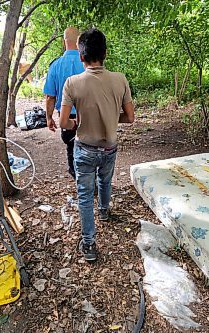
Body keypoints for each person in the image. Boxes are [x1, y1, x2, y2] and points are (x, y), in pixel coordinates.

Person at [59, 28, 135, 262]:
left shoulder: (72, 83)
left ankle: (89, 244)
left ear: (81, 56)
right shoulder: (120, 79)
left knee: (84, 195)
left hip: (84, 149)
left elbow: (63, 122)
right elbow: (130, 118)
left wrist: (77, 121)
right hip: (110, 146)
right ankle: (104, 212)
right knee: (105, 180)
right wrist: (112, 117)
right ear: (105, 53)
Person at [43, 27, 84, 179]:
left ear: (63, 41)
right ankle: (92, 182)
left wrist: (48, 118)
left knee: (71, 148)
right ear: (79, 41)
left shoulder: (55, 65)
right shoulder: (87, 62)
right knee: (91, 147)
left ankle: (78, 179)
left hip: (66, 117)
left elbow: (50, 97)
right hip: (88, 114)